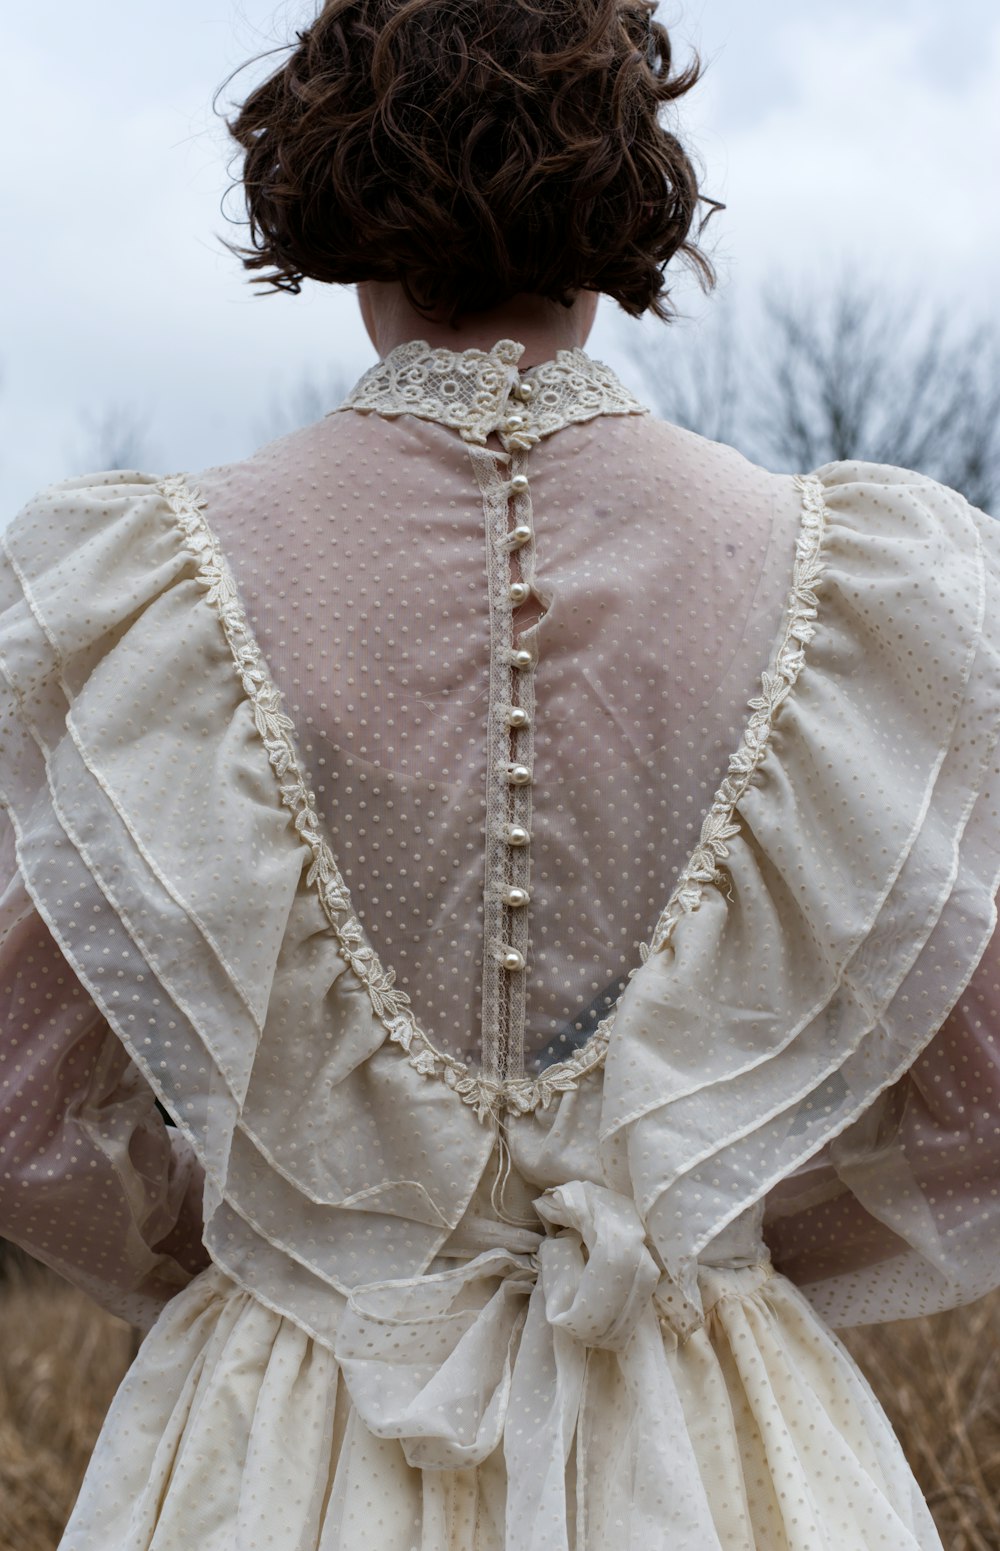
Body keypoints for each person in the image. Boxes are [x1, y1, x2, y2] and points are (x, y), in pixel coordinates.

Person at [1, 1, 998, 1547]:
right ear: (623, 202)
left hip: (283, 1427)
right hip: (714, 1428)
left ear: (331, 191)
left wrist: (262, 1243)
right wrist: (718, 1235)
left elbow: (17, 1107)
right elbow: (985, 1115)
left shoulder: (143, 594)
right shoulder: (854, 589)